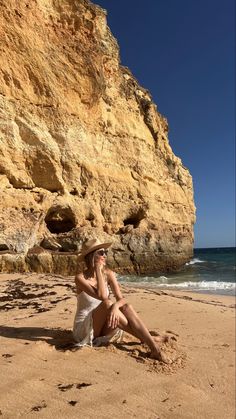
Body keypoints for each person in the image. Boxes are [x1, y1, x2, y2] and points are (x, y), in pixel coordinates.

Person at [73, 238, 171, 363]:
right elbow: (103, 297)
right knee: (107, 303)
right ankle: (152, 344)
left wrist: (114, 308)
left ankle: (150, 343)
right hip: (84, 328)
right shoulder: (80, 278)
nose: (105, 255)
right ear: (91, 256)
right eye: (101, 253)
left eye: (105, 252)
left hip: (105, 324)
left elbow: (122, 299)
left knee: (127, 307)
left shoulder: (108, 274)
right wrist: (97, 269)